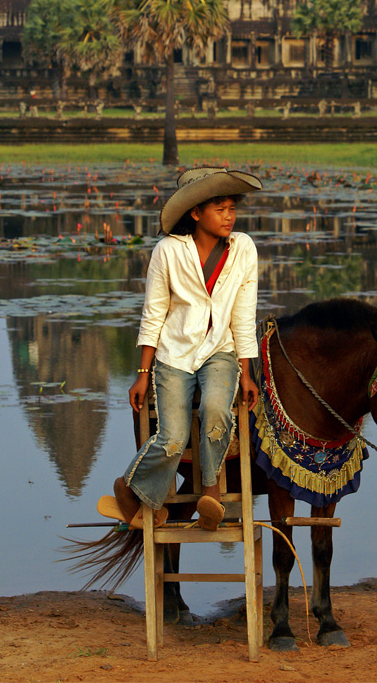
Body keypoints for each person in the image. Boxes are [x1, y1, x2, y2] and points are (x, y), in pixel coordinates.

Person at [98, 167, 262, 532]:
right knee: (172, 437)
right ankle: (131, 488)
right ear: (195, 213)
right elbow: (153, 315)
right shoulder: (168, 251)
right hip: (174, 354)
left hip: (221, 350)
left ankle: (210, 494)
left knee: (217, 410)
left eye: (232, 208)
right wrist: (142, 374)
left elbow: (243, 315)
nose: (229, 216)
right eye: (219, 208)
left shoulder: (244, 249)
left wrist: (247, 373)